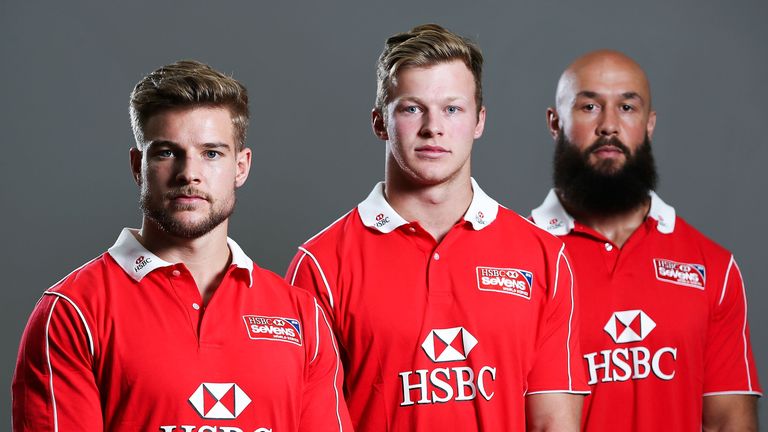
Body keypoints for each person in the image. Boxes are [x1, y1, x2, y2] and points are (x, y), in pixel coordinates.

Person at [12, 60, 352, 432]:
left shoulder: (303, 317)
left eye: (211, 153)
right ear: (137, 166)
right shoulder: (72, 312)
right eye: (166, 152)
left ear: (241, 167)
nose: (189, 173)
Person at [286, 24, 588, 431]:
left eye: (452, 109)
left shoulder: (544, 257)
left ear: (479, 121)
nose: (434, 127)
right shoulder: (320, 264)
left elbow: (553, 423)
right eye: (412, 108)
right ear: (380, 122)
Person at [530, 50, 762, 431]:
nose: (609, 125)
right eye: (589, 107)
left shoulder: (713, 268)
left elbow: (729, 423)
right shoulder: (515, 263)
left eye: (627, 107)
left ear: (649, 124)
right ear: (555, 123)